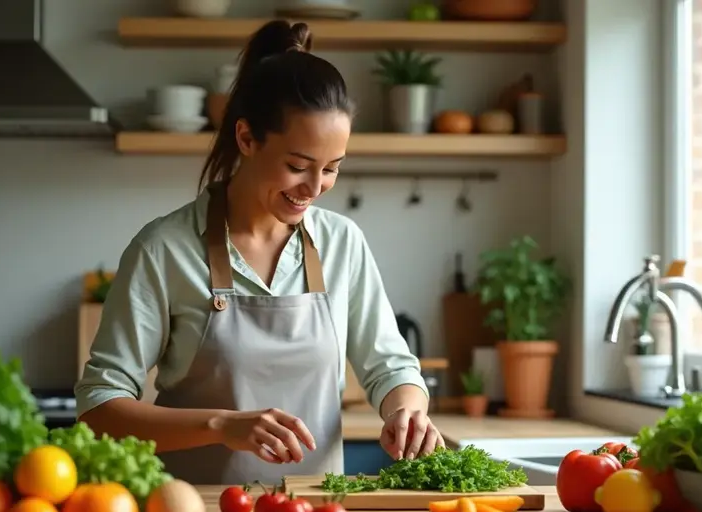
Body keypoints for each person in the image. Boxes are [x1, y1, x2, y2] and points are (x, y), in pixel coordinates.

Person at [74, 19, 444, 485]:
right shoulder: (164, 250)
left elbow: (390, 367)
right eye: (297, 166)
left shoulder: (342, 243)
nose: (314, 188)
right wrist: (222, 425)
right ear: (246, 139)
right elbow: (99, 409)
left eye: (332, 169)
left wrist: (407, 410)